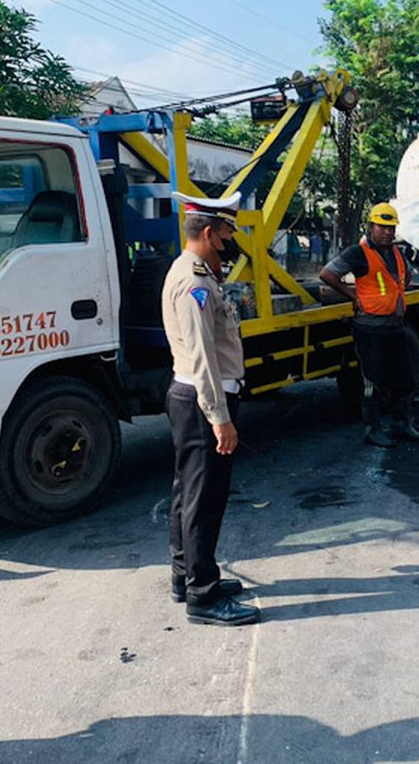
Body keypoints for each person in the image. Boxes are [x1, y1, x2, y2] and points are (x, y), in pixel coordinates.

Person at [162, 191, 259, 626]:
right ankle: (202, 596)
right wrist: (220, 417)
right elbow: (202, 356)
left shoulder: (189, 271)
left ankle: (187, 576)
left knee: (188, 492)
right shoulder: (196, 283)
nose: (230, 241)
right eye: (226, 233)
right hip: (204, 397)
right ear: (207, 232)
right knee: (204, 499)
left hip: (192, 395)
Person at [320, 202, 419, 447]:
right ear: (371, 226)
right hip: (370, 328)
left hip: (395, 325)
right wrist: (353, 296)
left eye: (391, 228)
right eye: (382, 227)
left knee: (404, 376)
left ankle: (403, 423)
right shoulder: (358, 252)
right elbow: (327, 274)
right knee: (373, 381)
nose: (388, 232)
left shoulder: (396, 252)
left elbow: (406, 276)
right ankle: (372, 428)